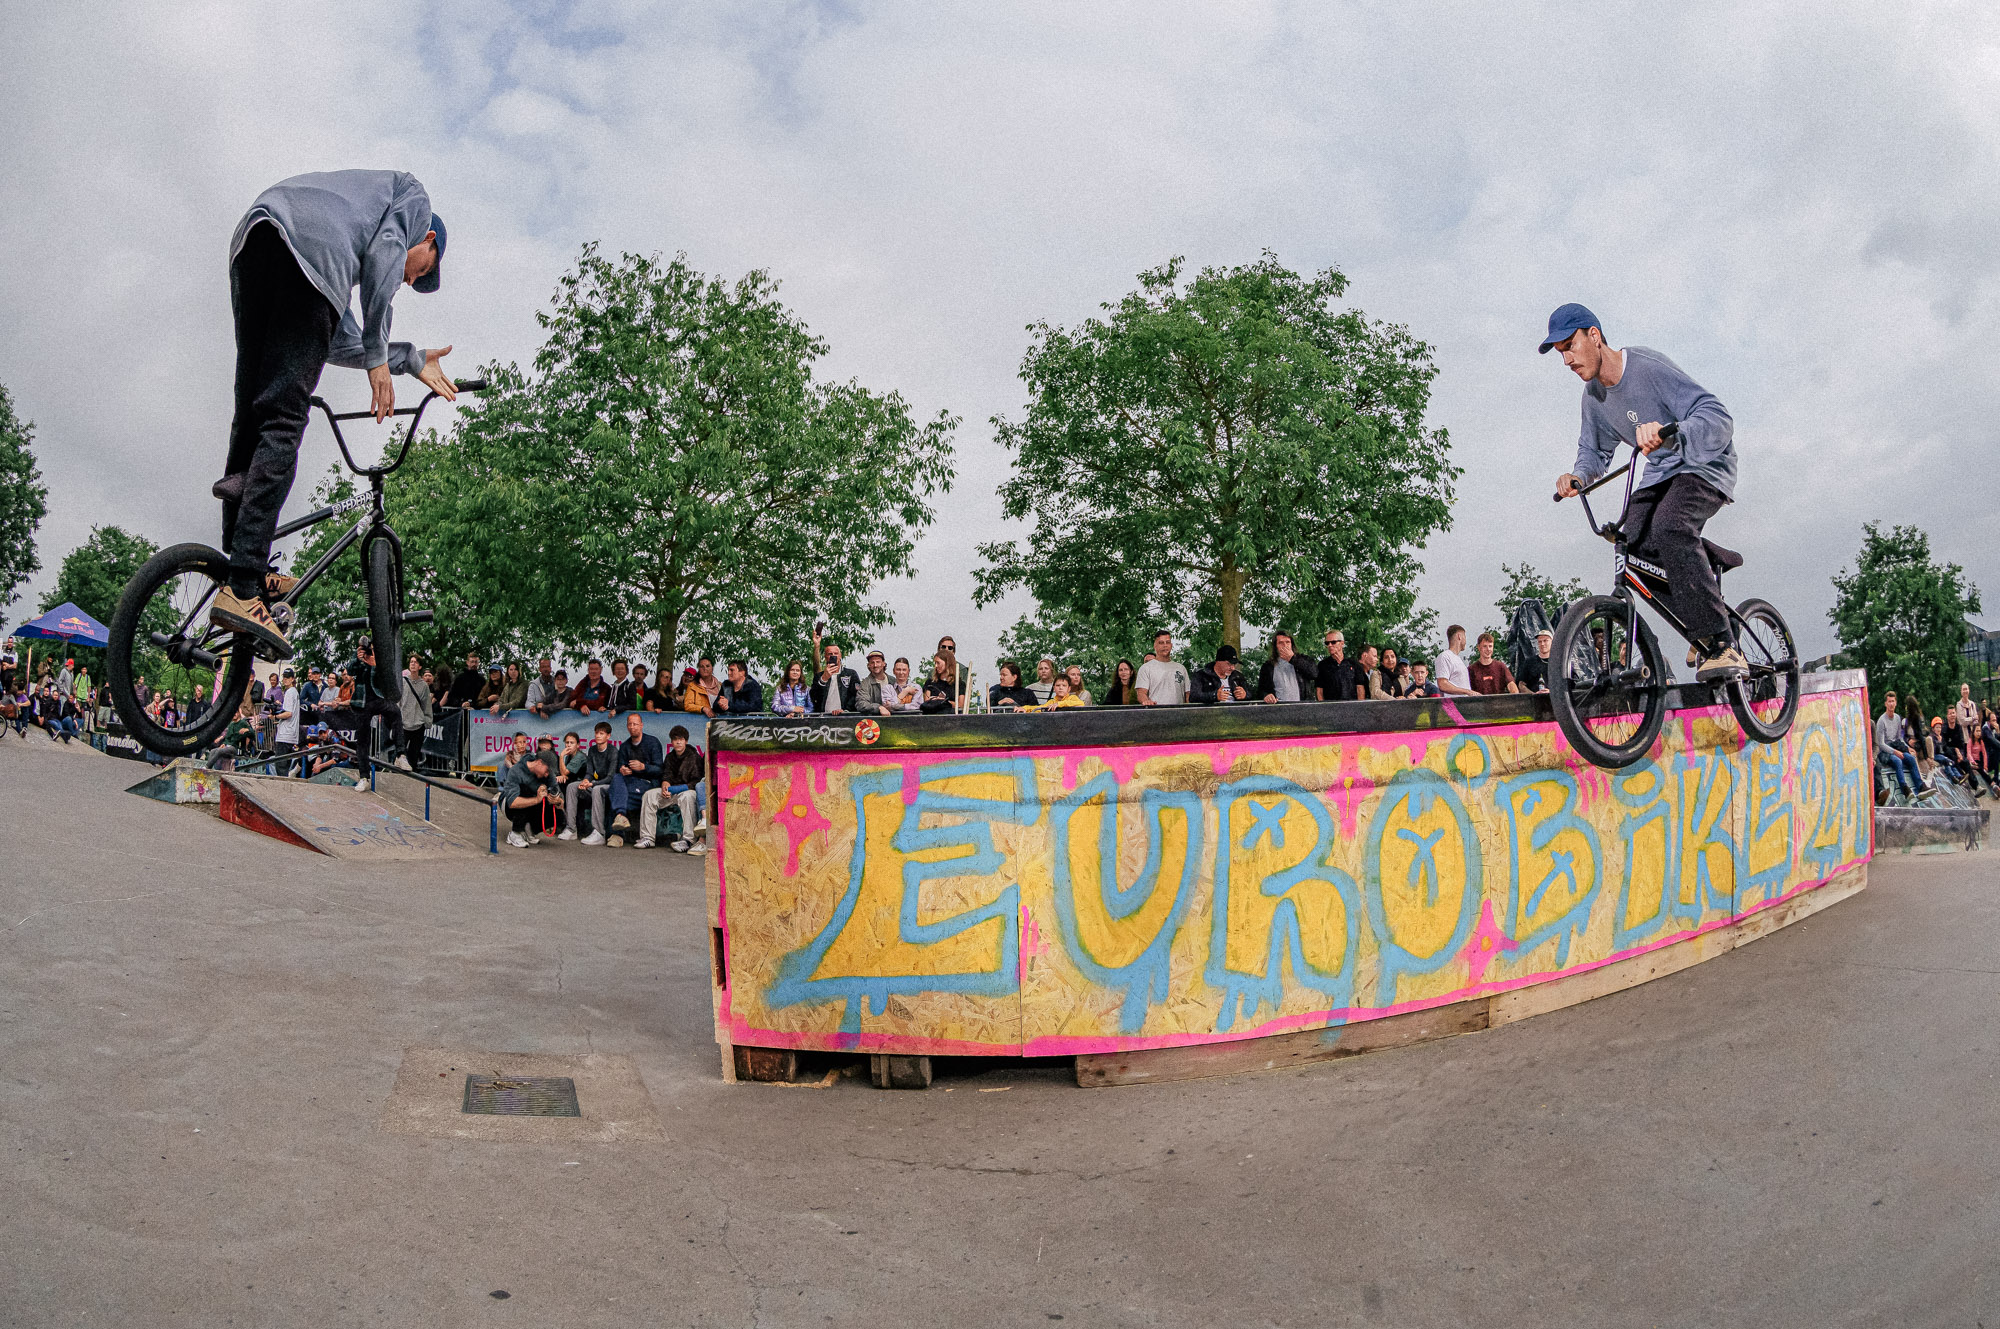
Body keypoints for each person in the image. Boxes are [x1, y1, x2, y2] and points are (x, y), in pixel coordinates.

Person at [207, 170, 456, 658]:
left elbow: (342, 343)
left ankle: (240, 565)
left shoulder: (338, 258)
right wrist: (381, 355)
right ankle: (242, 587)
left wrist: (402, 357)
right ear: (426, 237)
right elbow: (388, 253)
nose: (410, 279)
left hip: (257, 240)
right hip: (303, 250)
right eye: (422, 271)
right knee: (284, 420)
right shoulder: (412, 198)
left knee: (253, 412)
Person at [1544, 303, 1744, 682]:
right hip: (1660, 475)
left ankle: (1722, 642)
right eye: (1560, 353)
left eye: (1570, 346)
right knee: (1629, 544)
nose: (1567, 360)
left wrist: (1672, 431)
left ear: (1594, 336)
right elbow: (1594, 451)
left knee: (1670, 526)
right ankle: (1700, 605)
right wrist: (1578, 477)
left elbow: (1718, 416)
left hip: (1705, 465)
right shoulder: (1593, 398)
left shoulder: (1648, 368)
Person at [636, 724, 708, 853]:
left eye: (681, 739)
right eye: (675, 739)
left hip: (685, 791)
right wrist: (665, 784)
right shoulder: (670, 757)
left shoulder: (694, 757)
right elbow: (666, 774)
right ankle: (648, 837)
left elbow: (696, 781)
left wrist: (675, 789)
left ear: (686, 741)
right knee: (649, 795)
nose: (678, 742)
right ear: (672, 742)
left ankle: (688, 840)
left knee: (689, 796)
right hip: (670, 792)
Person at [606, 713, 663, 848]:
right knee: (617, 779)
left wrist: (644, 767)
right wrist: (623, 769)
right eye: (630, 724)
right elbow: (620, 767)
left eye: (635, 724)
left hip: (647, 784)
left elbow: (660, 770)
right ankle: (620, 816)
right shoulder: (625, 746)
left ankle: (617, 834)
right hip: (629, 782)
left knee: (615, 795)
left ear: (641, 725)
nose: (632, 727)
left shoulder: (652, 742)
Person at [561, 721, 618, 844]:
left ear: (608, 736)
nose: (598, 736)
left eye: (601, 733)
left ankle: (599, 833)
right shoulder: (592, 750)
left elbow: (610, 777)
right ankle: (571, 829)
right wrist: (586, 780)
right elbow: (590, 772)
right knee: (572, 786)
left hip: (609, 786)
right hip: (595, 783)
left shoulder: (613, 751)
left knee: (597, 789)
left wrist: (592, 784)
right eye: (596, 733)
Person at [502, 747, 558, 848]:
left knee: (559, 813)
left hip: (531, 802)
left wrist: (556, 799)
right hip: (508, 804)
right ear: (539, 762)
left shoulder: (548, 774)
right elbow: (512, 802)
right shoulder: (516, 770)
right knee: (525, 789)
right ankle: (515, 833)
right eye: (547, 770)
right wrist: (537, 799)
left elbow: (557, 791)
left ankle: (529, 829)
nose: (547, 774)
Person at [1875, 691, 1925, 800]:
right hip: (1885, 752)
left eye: (1893, 701)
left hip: (1897, 747)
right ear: (1886, 704)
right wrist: (1895, 752)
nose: (1891, 704)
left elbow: (1899, 738)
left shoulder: (1897, 718)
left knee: (1910, 758)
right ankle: (1905, 789)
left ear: (1896, 703)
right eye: (1889, 702)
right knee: (1898, 761)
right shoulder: (1881, 721)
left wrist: (1908, 748)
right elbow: (1881, 744)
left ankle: (1921, 787)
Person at [1136, 631, 1190, 706]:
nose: (1165, 645)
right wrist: (1146, 701)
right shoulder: (1146, 668)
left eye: (1167, 642)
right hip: (1156, 714)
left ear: (1171, 645)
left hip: (1178, 715)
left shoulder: (1181, 668)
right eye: (1161, 643)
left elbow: (1187, 695)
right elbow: (1141, 693)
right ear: (1155, 645)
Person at [397, 653, 431, 771]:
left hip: (418, 723)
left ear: (420, 667)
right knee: (400, 754)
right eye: (411, 662)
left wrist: (427, 720)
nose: (413, 664)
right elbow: (398, 701)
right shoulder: (403, 682)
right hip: (403, 722)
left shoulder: (424, 686)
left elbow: (427, 705)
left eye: (415, 662)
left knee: (414, 756)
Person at [1258, 632, 1314, 703]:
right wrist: (1266, 696)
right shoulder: (1268, 666)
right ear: (1275, 647)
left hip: (1302, 709)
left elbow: (1314, 674)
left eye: (1287, 642)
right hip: (1279, 709)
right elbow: (1261, 690)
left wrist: (1292, 659)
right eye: (1280, 643)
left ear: (1292, 645)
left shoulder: (1303, 660)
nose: (1285, 645)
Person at [810, 637, 859, 715]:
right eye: (830, 654)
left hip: (845, 716)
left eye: (836, 653)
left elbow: (856, 695)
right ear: (825, 657)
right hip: (823, 717)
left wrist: (845, 710)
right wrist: (824, 679)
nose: (833, 656)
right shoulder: (819, 676)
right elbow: (813, 697)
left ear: (840, 656)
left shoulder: (851, 674)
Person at [1316, 630, 1363, 702]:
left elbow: (1360, 688)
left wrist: (1360, 707)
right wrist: (1323, 708)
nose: (1330, 645)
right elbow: (1319, 690)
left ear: (1342, 643)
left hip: (1352, 708)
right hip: (1330, 708)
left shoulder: (1354, 664)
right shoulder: (1322, 665)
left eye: (1333, 642)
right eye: (1327, 643)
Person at [273, 668, 302, 775]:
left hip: (285, 735)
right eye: (284, 677)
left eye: (288, 677)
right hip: (292, 735)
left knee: (280, 766)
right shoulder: (295, 692)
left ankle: (282, 788)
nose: (285, 680)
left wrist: (275, 717)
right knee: (285, 765)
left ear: (292, 679)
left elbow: (288, 713)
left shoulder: (290, 692)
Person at [1433, 625, 1475, 696]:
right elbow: (1442, 684)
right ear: (1459, 636)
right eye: (1464, 636)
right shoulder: (1445, 657)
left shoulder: (1458, 660)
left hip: (1463, 705)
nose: (1466, 640)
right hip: (1452, 705)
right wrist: (1467, 691)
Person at [1517, 630, 1553, 694]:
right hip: (1535, 702)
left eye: (1545, 641)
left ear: (1552, 642)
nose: (1542, 644)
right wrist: (1534, 695)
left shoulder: (1560, 663)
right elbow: (1521, 685)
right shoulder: (1529, 663)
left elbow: (1569, 685)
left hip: (1557, 701)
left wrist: (1552, 693)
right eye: (1539, 641)